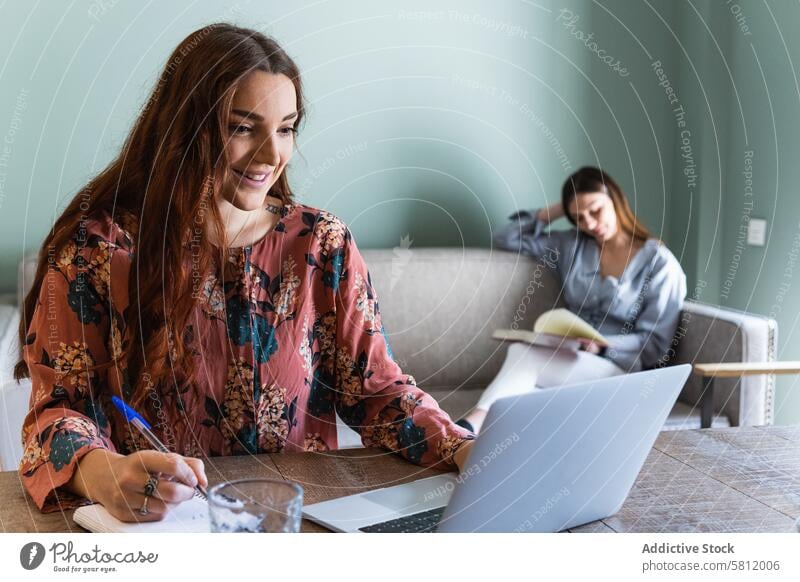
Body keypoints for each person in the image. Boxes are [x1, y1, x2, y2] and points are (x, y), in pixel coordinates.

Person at [14, 24, 475, 523]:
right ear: (186, 127)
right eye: (242, 127)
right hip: (157, 531)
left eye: (286, 128)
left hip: (295, 528)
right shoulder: (99, 254)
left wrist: (464, 448)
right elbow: (56, 413)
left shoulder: (322, 246)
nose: (272, 155)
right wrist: (101, 472)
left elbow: (377, 393)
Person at [458, 167, 687, 433]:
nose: (589, 223)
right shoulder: (572, 246)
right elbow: (505, 237)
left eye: (595, 210)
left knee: (522, 356)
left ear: (615, 199)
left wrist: (601, 346)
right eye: (578, 218)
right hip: (570, 358)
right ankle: (474, 440)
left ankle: (467, 428)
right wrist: (559, 209)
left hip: (621, 370)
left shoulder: (660, 264)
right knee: (524, 388)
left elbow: (655, 345)